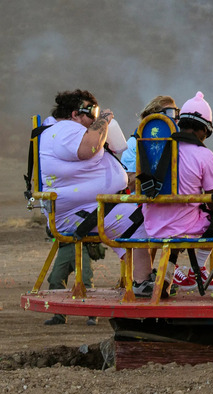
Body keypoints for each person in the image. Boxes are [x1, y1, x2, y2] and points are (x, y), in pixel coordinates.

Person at [39, 89, 155, 298]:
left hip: (90, 208)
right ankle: (142, 282)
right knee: (139, 221)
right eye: (90, 114)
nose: (94, 119)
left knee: (136, 221)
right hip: (81, 212)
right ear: (75, 114)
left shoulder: (65, 131)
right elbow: (88, 149)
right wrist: (104, 120)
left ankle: (141, 279)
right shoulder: (65, 129)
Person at [140, 91, 213, 299]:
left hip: (153, 225)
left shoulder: (158, 149)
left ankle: (165, 280)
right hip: (184, 227)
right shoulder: (204, 155)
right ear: (204, 129)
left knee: (182, 215)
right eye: (206, 133)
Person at [120, 95, 179, 191]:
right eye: (171, 112)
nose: (176, 118)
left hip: (172, 203)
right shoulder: (134, 143)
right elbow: (128, 186)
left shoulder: (179, 143)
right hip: (141, 203)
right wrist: (151, 169)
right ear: (154, 117)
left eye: (177, 113)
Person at [43, 240, 98, 326]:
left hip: (82, 244)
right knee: (56, 280)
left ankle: (92, 315)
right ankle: (59, 315)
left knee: (85, 281)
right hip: (64, 245)